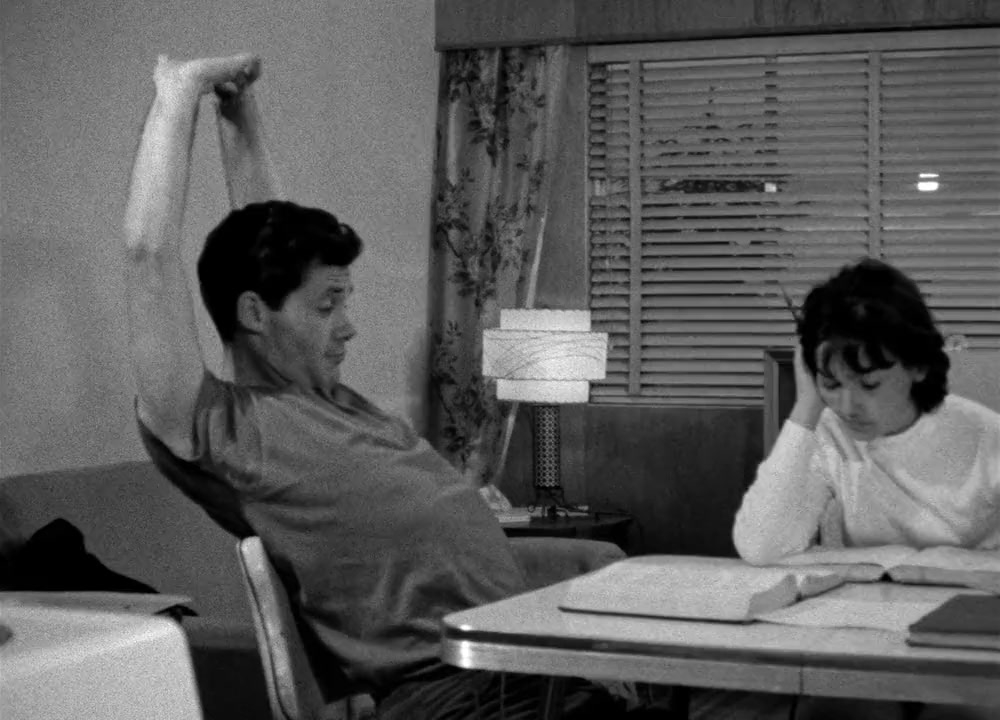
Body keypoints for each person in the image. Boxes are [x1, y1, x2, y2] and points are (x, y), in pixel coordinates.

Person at [122, 54, 639, 719]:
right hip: (454, 695)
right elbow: (148, 257)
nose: (349, 327)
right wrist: (179, 93)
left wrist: (240, 112)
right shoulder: (225, 429)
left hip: (530, 672)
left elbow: (268, 233)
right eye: (327, 305)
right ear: (254, 314)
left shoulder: (330, 401)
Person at [732, 258, 1000, 720]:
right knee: (838, 708)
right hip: (866, 628)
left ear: (917, 365)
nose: (847, 405)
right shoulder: (829, 431)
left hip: (969, 633)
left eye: (869, 384)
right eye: (831, 383)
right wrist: (806, 408)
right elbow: (760, 545)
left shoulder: (984, 434)